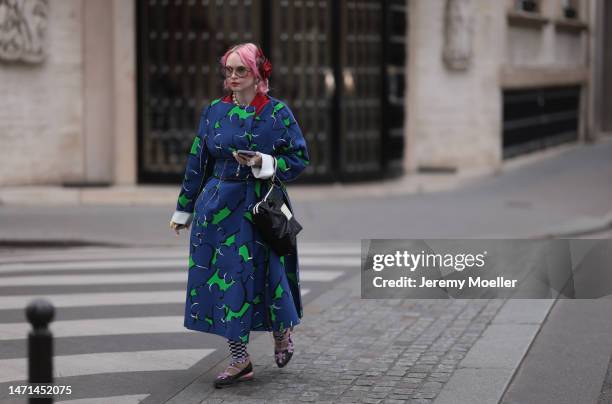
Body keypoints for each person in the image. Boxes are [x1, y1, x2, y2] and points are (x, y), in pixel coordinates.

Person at [169, 43, 310, 388]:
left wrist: (265, 162)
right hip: (217, 207)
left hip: (262, 206)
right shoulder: (214, 112)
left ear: (258, 73)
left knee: (268, 274)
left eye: (240, 70)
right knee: (224, 280)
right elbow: (197, 161)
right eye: (228, 70)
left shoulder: (277, 113)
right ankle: (239, 358)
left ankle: (281, 332)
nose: (232, 76)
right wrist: (184, 208)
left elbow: (299, 158)